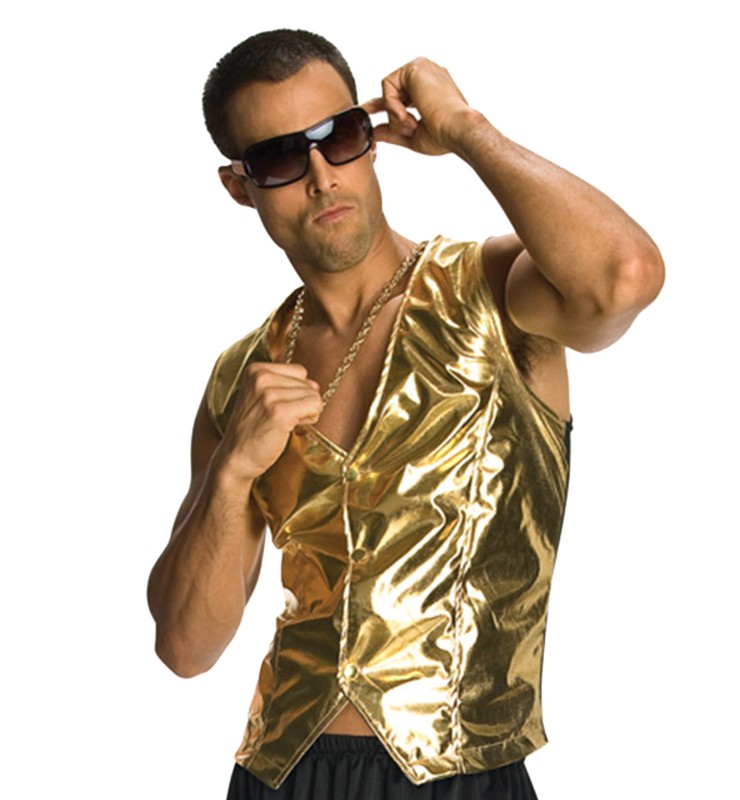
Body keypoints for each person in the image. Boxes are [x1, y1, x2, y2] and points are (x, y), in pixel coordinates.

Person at [147, 28, 664, 800]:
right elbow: (186, 647)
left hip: (461, 773)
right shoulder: (242, 378)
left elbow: (625, 274)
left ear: (371, 139)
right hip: (279, 777)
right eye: (282, 159)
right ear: (239, 185)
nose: (322, 177)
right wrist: (230, 475)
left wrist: (467, 131)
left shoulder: (495, 291)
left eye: (339, 136)